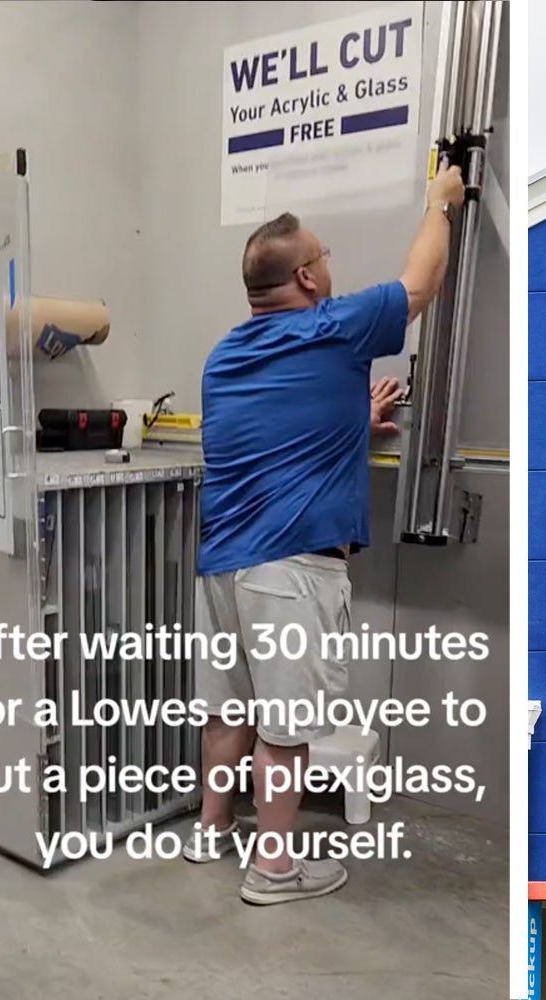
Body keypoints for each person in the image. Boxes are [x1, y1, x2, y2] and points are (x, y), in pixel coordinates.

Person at [184, 165, 467, 905]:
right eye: (327, 255)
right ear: (308, 277)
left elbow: (273, 429)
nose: (332, 265)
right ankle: (274, 870)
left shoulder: (226, 357)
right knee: (285, 726)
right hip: (292, 570)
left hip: (220, 564)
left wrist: (349, 420)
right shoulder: (335, 329)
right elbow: (421, 282)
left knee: (229, 709)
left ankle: (212, 829)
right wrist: (441, 201)